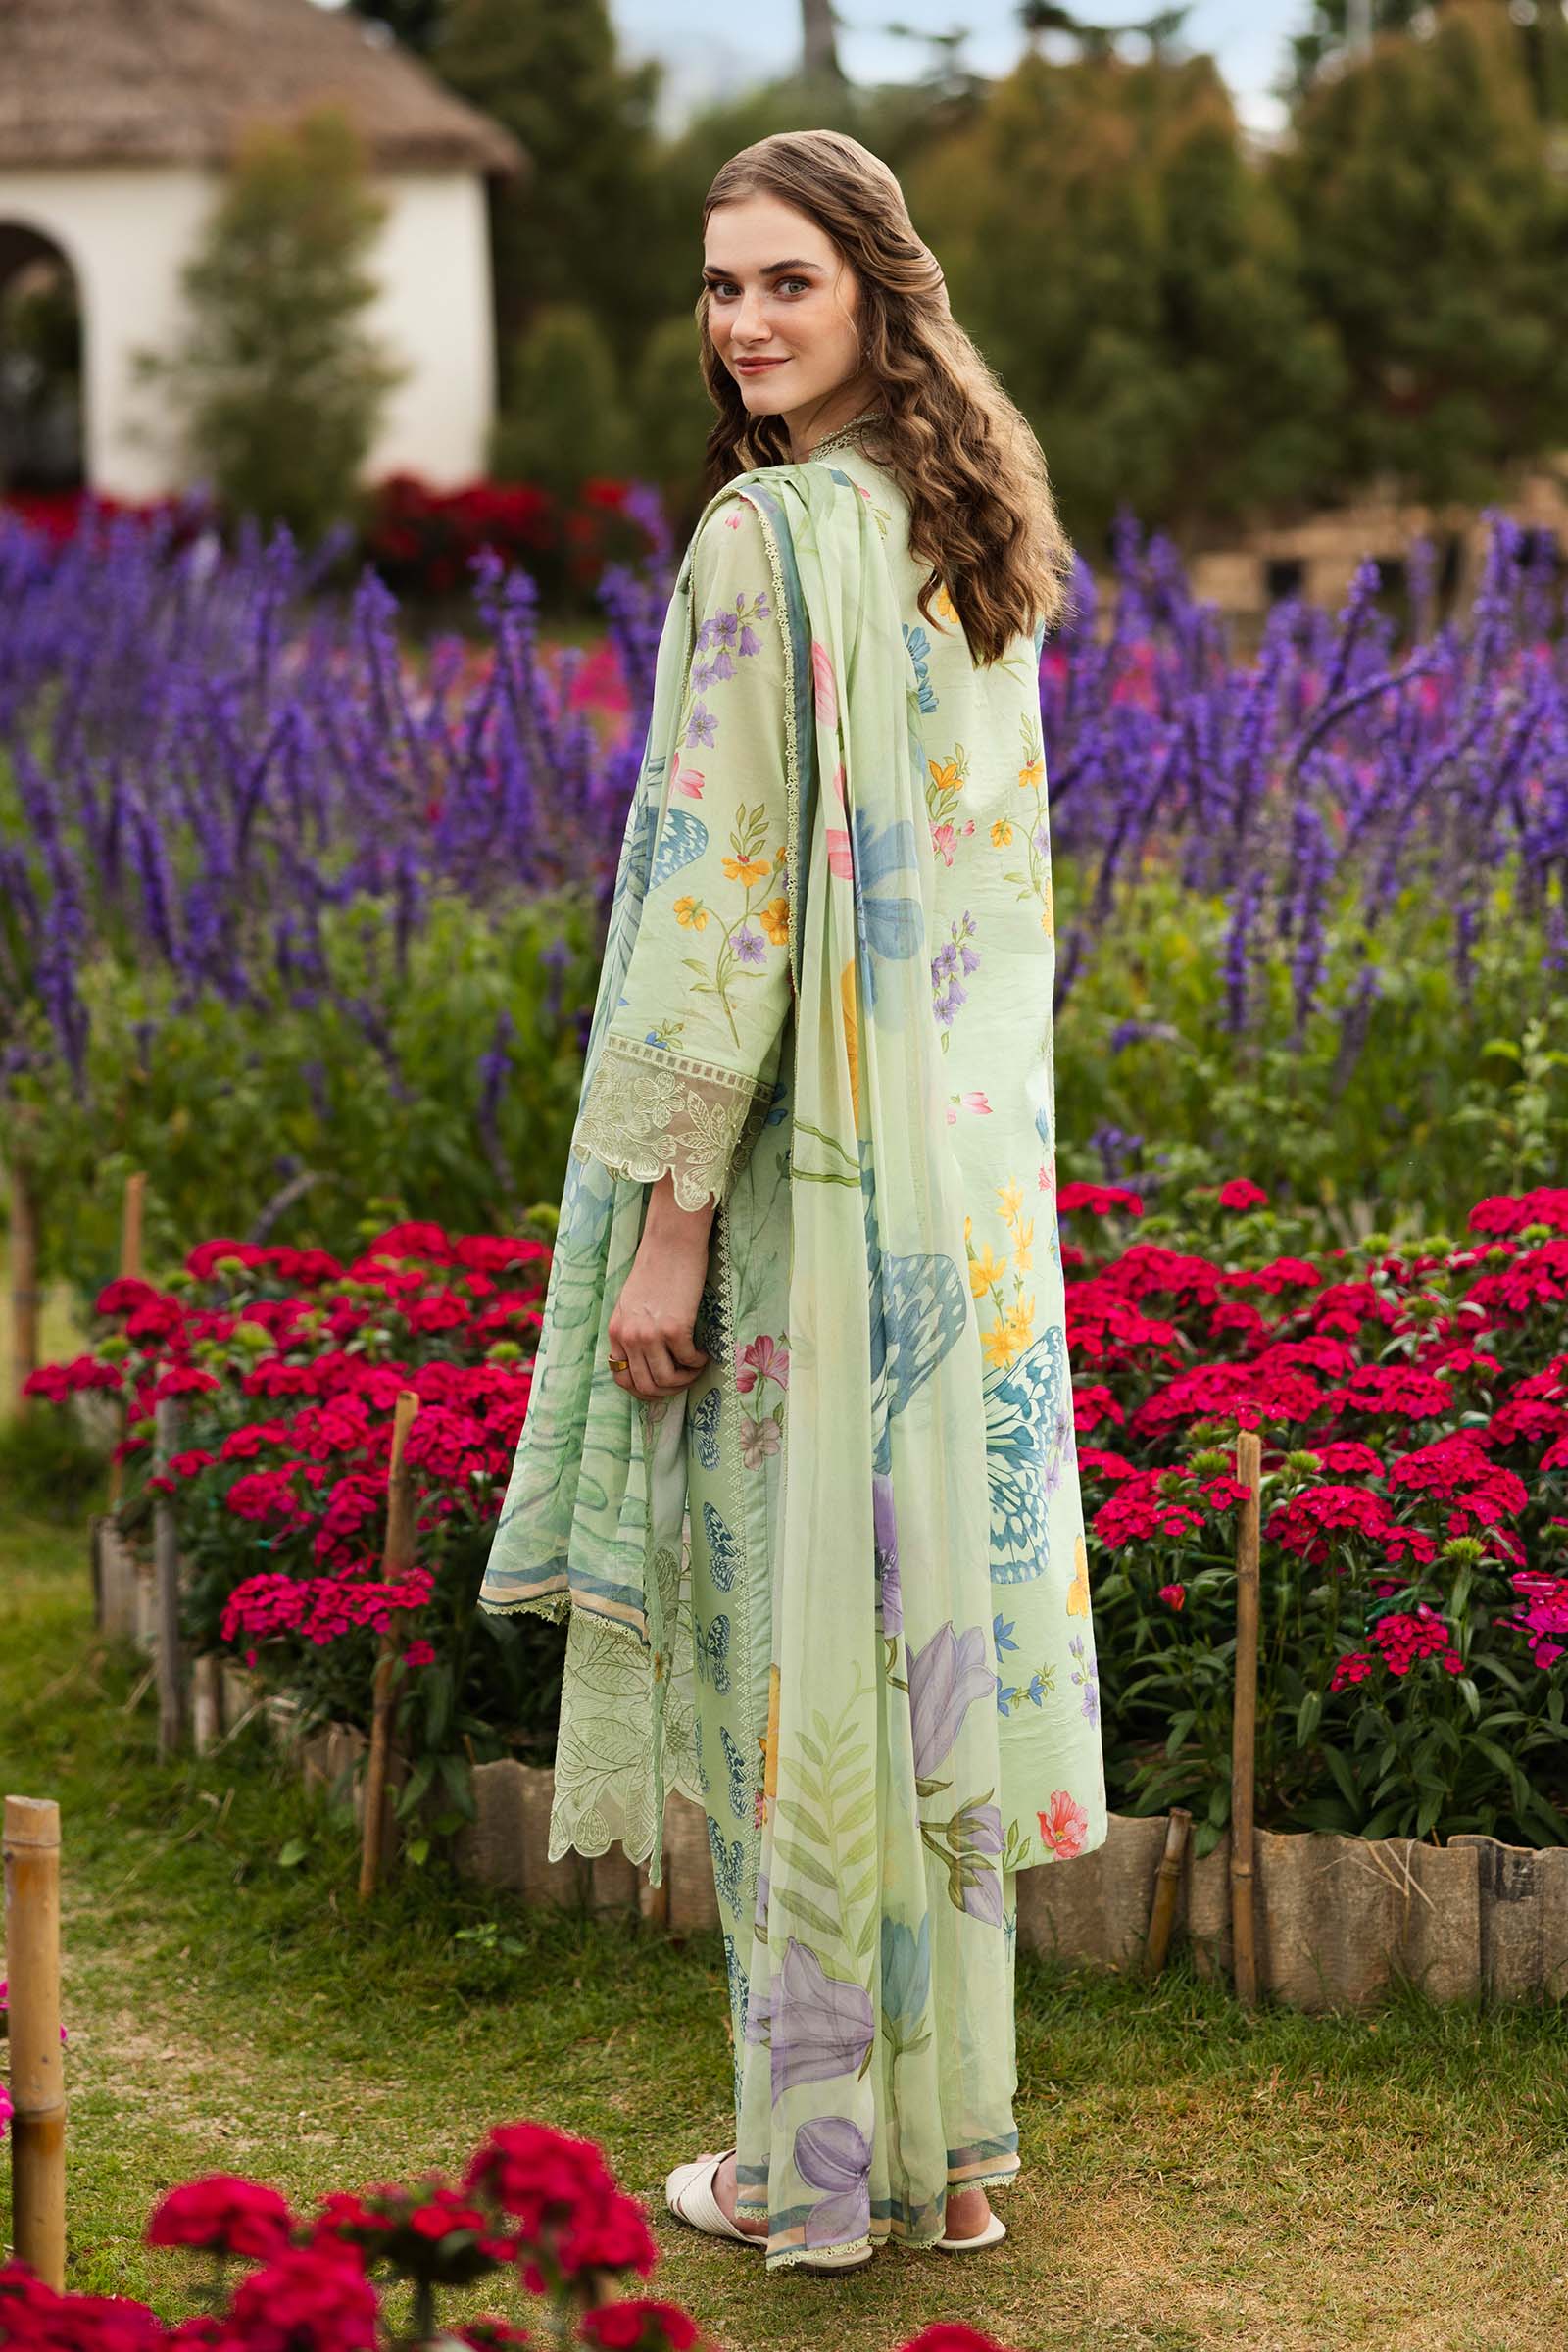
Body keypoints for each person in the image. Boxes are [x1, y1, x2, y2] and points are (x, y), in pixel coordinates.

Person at [478, 127, 1108, 2276]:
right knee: (922, 1659)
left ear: (876, 294)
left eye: (785, 282)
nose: (741, 321)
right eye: (720, 283)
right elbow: (997, 914)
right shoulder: (968, 533)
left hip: (806, 1191)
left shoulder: (766, 540)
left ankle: (804, 2168)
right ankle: (951, 2158)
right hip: (956, 1192)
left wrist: (669, 1225)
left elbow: (718, 909)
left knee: (799, 1678)